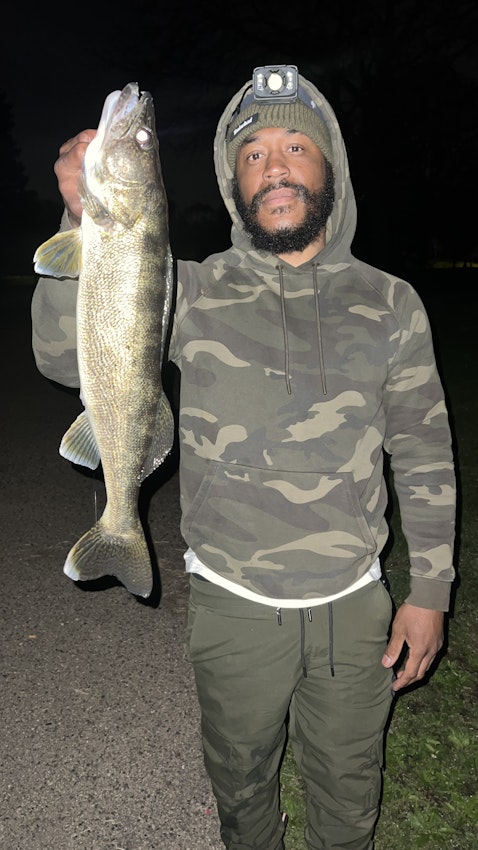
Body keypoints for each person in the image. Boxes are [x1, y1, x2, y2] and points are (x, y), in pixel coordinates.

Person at [31, 66, 456, 850]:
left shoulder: (393, 303)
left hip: (354, 605)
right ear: (234, 183)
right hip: (231, 603)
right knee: (242, 785)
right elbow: (63, 357)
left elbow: (424, 449)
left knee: (348, 796)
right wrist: (81, 215)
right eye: (254, 154)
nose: (275, 167)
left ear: (331, 167)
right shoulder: (190, 290)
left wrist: (430, 591)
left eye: (296, 146)